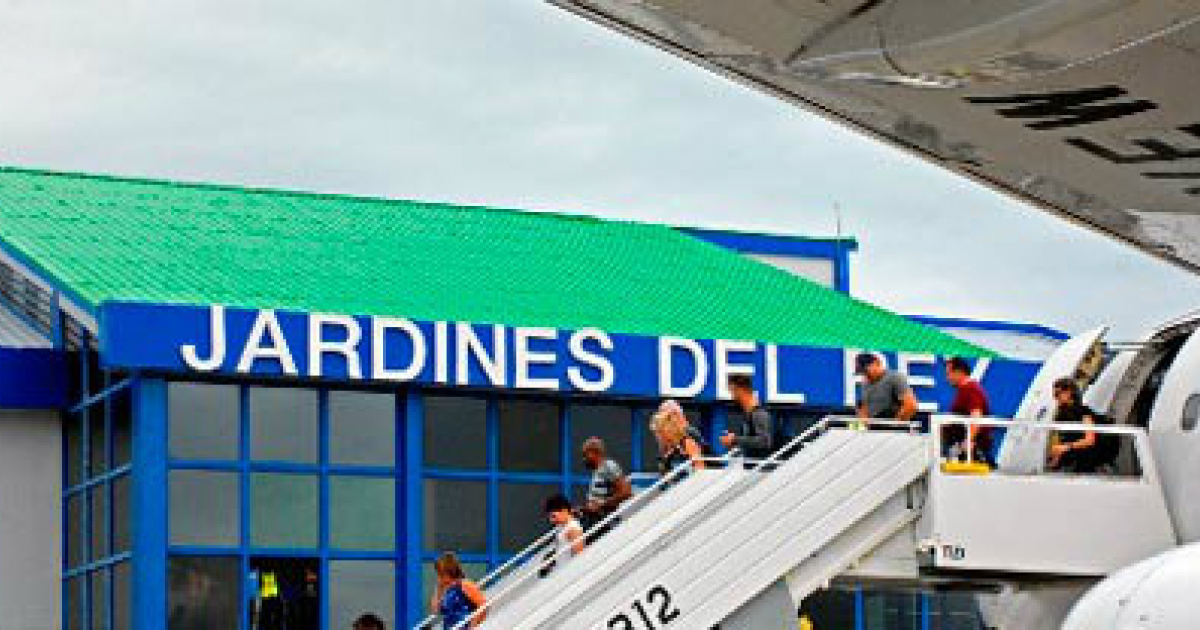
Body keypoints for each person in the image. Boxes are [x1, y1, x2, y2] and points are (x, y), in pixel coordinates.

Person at [944, 356, 994, 465]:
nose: (947, 378)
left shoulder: (971, 389)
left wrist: (968, 441)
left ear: (959, 372)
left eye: (948, 373)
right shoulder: (964, 390)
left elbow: (976, 416)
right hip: (965, 449)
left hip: (973, 451)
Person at [579, 437, 632, 537]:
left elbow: (626, 492)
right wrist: (585, 508)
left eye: (585, 455)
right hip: (595, 520)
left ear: (594, 453)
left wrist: (601, 504)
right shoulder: (597, 471)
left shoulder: (609, 466)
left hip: (606, 522)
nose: (584, 459)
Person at [1048, 378, 1103, 472]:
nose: (1055, 398)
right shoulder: (1061, 414)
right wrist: (1055, 460)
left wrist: (1066, 447)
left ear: (1069, 393)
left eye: (1057, 394)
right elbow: (1063, 439)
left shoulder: (1083, 412)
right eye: (1054, 395)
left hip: (1084, 461)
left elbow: (1090, 439)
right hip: (1069, 461)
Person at [720, 374, 774, 460]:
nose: (732, 396)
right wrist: (733, 441)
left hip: (761, 470)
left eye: (732, 391)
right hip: (750, 468)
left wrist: (735, 439)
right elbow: (750, 442)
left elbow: (764, 441)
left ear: (738, 390)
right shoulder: (748, 414)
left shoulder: (759, 413)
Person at [855, 353, 917, 424]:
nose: (865, 375)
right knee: (847, 426)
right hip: (874, 429)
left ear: (877, 363)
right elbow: (864, 408)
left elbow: (911, 405)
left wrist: (894, 425)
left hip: (892, 427)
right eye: (862, 372)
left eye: (866, 371)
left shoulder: (895, 378)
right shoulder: (865, 383)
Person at [430, 552, 486, 629]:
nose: (439, 577)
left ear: (449, 571)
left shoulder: (464, 584)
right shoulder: (447, 589)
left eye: (441, 573)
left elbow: (483, 605)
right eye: (439, 573)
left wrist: (473, 626)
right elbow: (435, 611)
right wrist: (438, 589)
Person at [540, 493, 585, 577]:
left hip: (566, 574)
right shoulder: (563, 526)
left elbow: (579, 558)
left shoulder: (573, 529)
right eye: (550, 517)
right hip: (560, 571)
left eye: (553, 516)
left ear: (564, 511)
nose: (551, 520)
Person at [651, 407, 705, 473]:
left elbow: (700, 470)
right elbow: (665, 472)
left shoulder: (688, 442)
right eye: (657, 432)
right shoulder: (671, 447)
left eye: (660, 431)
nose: (658, 436)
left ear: (670, 429)